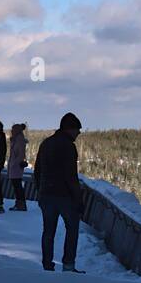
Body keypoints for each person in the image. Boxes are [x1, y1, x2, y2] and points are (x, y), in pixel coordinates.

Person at [33, 112, 84, 272]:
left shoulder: (46, 143)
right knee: (72, 229)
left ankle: (47, 265)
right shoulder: (69, 146)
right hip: (64, 196)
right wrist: (78, 198)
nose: (79, 133)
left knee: (48, 231)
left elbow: (37, 171)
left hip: (46, 195)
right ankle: (68, 265)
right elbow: (71, 175)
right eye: (77, 129)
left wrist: (40, 191)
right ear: (69, 129)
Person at [7, 123, 29, 211]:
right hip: (15, 166)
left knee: (17, 186)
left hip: (16, 167)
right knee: (17, 186)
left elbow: (20, 154)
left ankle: (21, 204)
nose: (11, 131)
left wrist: (14, 164)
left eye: (13, 130)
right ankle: (19, 204)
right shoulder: (17, 139)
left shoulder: (19, 140)